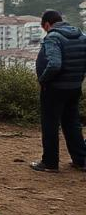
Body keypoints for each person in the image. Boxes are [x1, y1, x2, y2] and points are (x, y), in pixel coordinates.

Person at [31, 10, 86, 172]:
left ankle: (50, 163)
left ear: (47, 24)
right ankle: (81, 161)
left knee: (50, 125)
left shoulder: (53, 37)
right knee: (72, 124)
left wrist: (43, 79)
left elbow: (54, 64)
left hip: (54, 89)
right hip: (74, 87)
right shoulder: (81, 36)